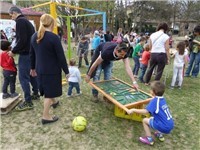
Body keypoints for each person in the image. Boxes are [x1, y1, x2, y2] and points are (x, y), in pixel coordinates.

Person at [30, 14, 69, 125]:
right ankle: (46, 116)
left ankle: (55, 102)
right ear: (51, 23)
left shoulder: (34, 36)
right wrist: (66, 72)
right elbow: (61, 57)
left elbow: (31, 54)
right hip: (51, 70)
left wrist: (32, 68)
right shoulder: (54, 37)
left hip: (39, 69)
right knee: (49, 92)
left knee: (48, 88)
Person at [8, 6, 39, 111]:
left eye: (11, 15)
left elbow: (22, 40)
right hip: (31, 53)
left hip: (25, 54)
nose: (11, 17)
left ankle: (28, 101)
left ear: (15, 13)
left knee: (23, 78)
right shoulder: (27, 22)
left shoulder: (20, 22)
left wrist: (13, 51)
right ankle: (36, 93)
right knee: (32, 75)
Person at [126, 81, 174, 146]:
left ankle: (149, 140)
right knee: (152, 118)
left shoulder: (155, 101)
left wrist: (133, 110)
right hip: (170, 124)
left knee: (145, 121)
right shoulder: (162, 99)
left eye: (151, 89)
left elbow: (146, 111)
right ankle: (159, 134)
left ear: (154, 92)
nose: (150, 90)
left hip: (163, 126)